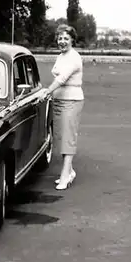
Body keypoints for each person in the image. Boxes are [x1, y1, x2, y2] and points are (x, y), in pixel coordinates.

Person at [37, 24, 84, 190]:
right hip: (58, 101)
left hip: (71, 101)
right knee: (60, 137)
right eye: (60, 38)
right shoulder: (61, 56)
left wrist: (47, 91)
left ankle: (65, 176)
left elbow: (63, 78)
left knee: (68, 137)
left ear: (72, 40)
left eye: (65, 38)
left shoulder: (74, 57)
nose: (62, 41)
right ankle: (70, 171)